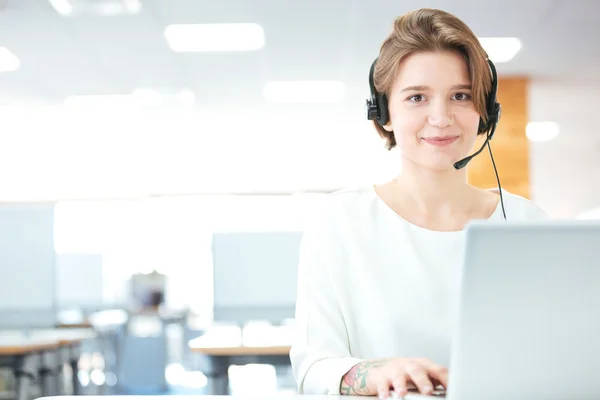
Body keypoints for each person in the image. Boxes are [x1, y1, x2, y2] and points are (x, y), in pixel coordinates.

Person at [289, 7, 549, 399]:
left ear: (485, 111)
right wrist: (375, 372)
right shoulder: (340, 221)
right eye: (417, 98)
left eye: (460, 96)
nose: (441, 117)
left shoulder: (527, 222)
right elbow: (312, 368)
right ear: (384, 112)